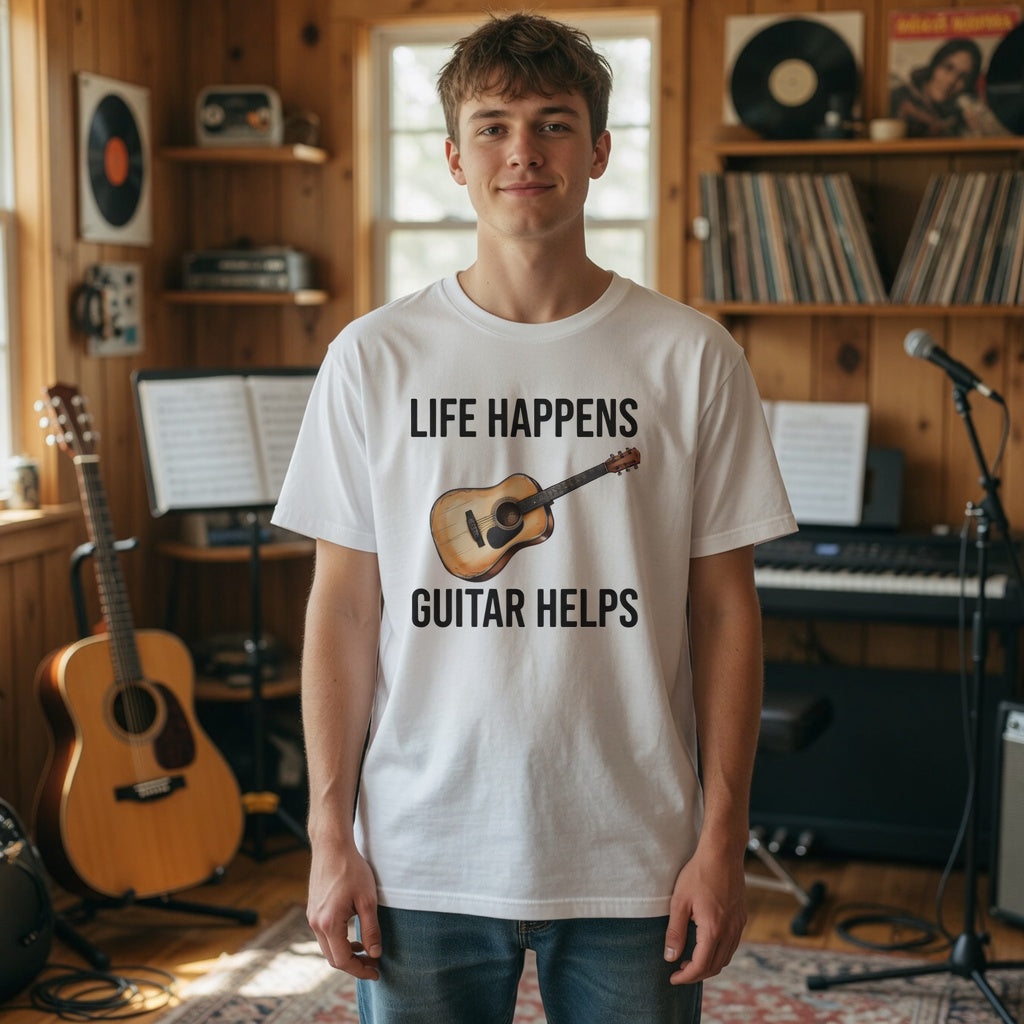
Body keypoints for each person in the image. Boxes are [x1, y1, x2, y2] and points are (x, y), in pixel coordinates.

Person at [272, 12, 795, 1023]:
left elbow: (726, 610)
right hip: (418, 852)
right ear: (453, 158)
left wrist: (722, 836)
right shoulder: (372, 358)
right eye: (493, 126)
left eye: (554, 124)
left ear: (598, 152)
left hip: (635, 854)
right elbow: (342, 607)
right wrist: (330, 833)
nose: (523, 151)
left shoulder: (691, 356)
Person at [889, 37, 984, 137]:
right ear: (935, 65)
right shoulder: (897, 98)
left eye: (963, 77)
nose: (951, 81)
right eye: (948, 68)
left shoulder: (961, 117)